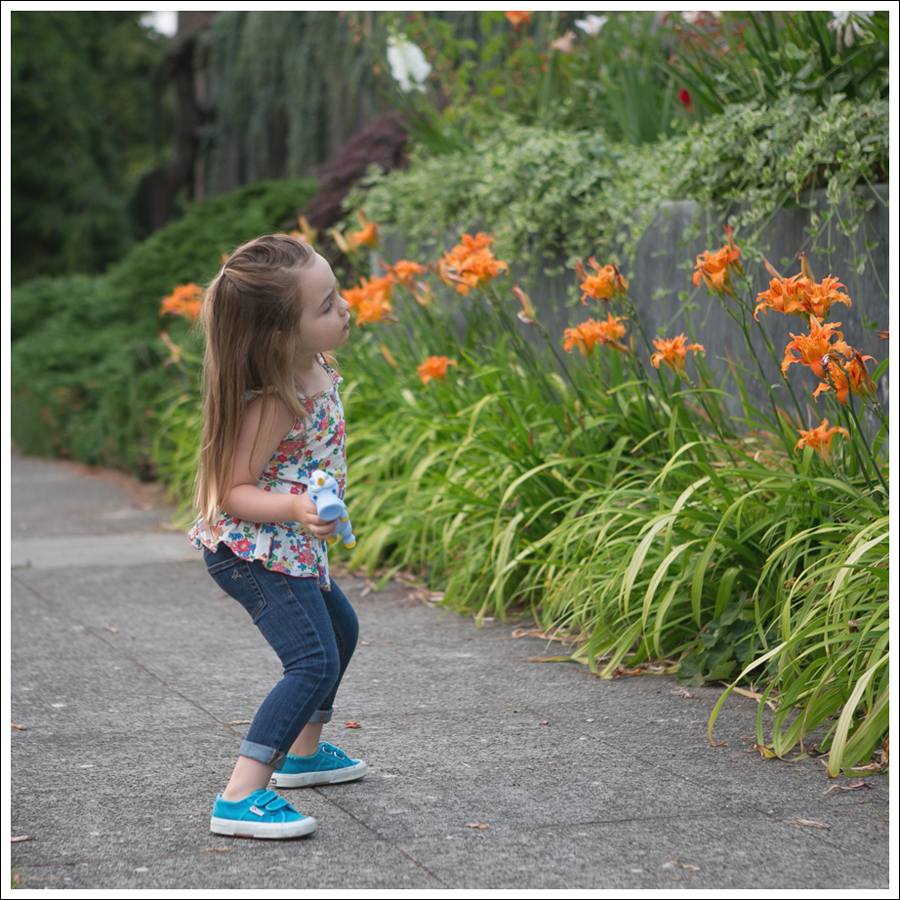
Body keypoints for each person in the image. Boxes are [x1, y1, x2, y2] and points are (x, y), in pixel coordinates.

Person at [188, 233, 365, 840]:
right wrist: (296, 505)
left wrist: (318, 506)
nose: (344, 309)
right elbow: (232, 490)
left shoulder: (313, 366)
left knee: (342, 630)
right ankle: (240, 795)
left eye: (336, 294)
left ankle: (305, 756)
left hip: (290, 543)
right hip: (250, 550)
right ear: (279, 338)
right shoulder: (273, 401)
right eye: (325, 307)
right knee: (311, 661)